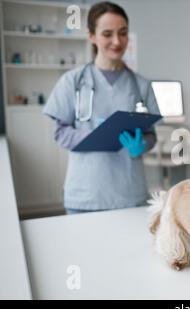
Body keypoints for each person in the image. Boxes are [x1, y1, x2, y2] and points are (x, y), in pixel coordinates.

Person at [43, 2, 160, 214]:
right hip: (85, 196)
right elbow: (60, 133)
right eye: (107, 34)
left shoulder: (141, 85)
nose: (117, 41)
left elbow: (151, 134)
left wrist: (141, 144)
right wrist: (94, 136)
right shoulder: (72, 81)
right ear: (92, 36)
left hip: (129, 194)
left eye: (123, 33)